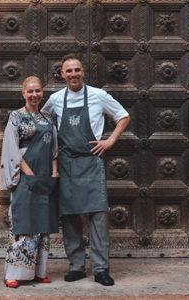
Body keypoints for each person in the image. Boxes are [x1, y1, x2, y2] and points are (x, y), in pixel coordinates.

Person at [42, 53, 130, 286]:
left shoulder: (99, 96)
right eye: (68, 71)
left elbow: (123, 116)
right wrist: (53, 146)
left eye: (77, 70)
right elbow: (44, 121)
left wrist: (109, 141)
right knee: (70, 216)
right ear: (62, 74)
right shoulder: (56, 99)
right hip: (66, 163)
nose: (73, 74)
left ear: (83, 72)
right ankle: (77, 267)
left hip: (91, 161)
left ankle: (101, 269)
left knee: (98, 216)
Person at [0, 76, 59, 288]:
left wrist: (54, 173)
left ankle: (38, 271)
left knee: (42, 224)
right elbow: (12, 149)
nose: (35, 95)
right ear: (23, 93)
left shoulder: (48, 119)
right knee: (24, 224)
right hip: (25, 178)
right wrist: (29, 173)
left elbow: (54, 150)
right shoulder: (16, 117)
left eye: (38, 91)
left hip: (45, 178)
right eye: (30, 91)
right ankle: (14, 273)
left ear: (43, 93)